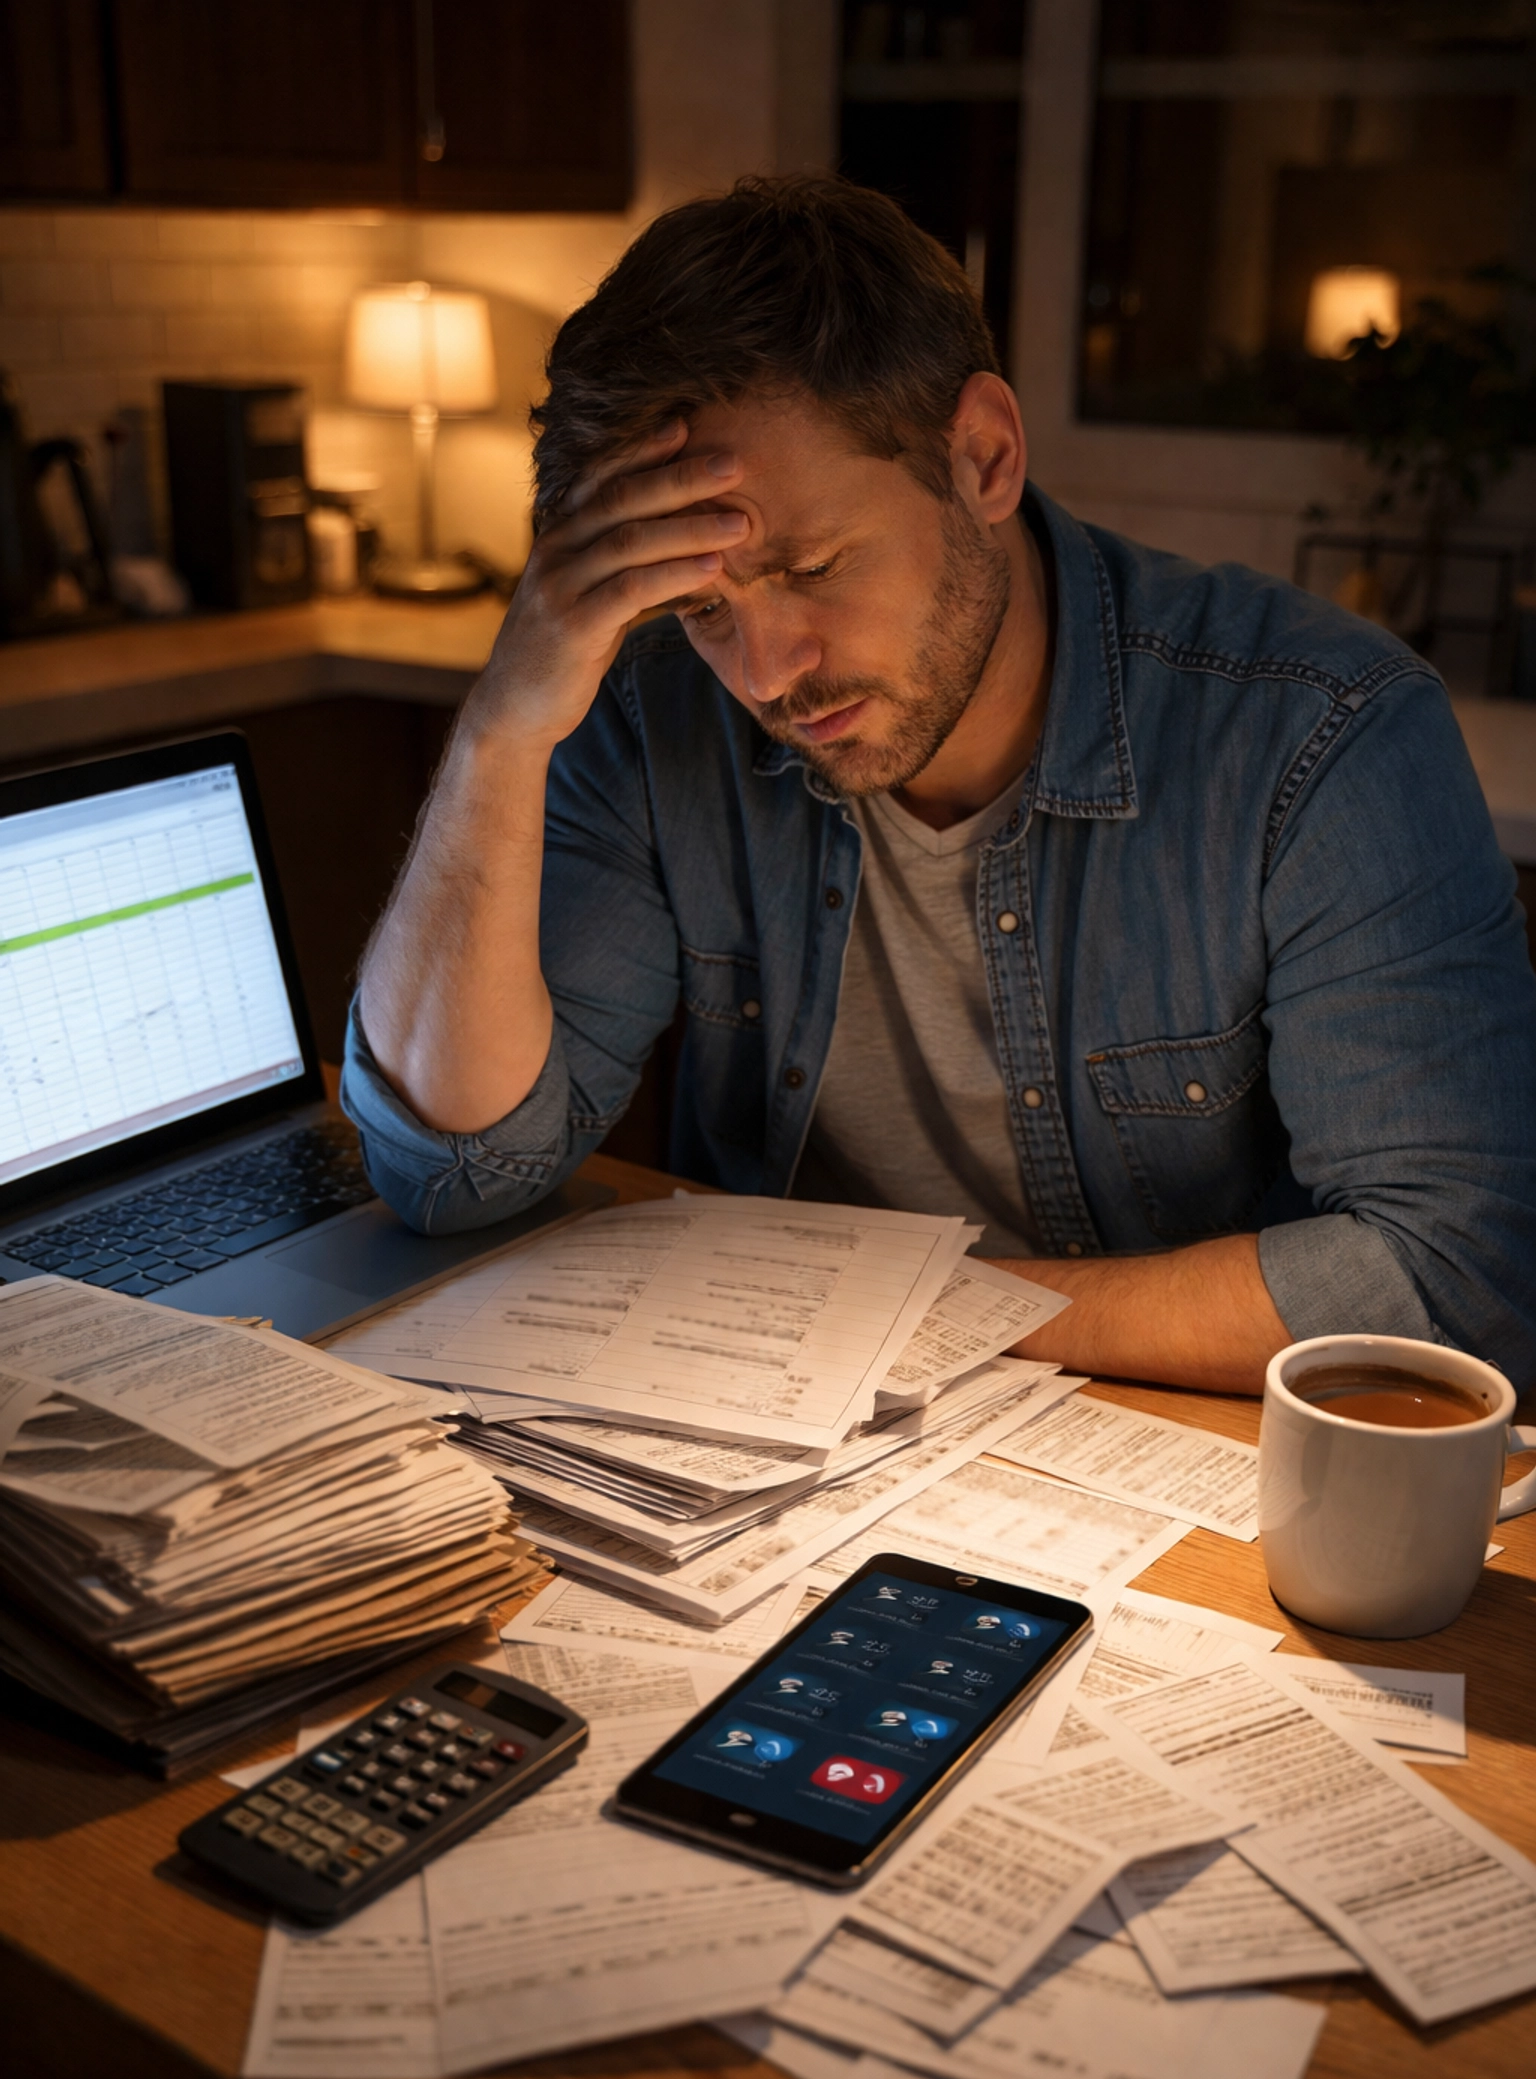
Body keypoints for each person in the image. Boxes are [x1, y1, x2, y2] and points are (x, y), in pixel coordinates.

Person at [345, 175, 1536, 1397]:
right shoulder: (657, 712)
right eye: (700, 606)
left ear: (983, 457)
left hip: (1167, 1450)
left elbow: (1451, 1280)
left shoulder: (1321, 736)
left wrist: (918, 1312)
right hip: (784, 1453)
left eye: (813, 566)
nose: (766, 674)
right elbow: (454, 1171)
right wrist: (500, 732)